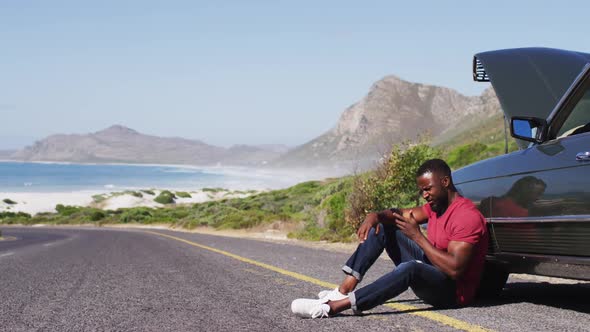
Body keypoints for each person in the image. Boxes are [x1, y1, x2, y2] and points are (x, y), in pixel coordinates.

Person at [291, 159, 488, 318]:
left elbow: (455, 269)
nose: (425, 195)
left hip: (452, 294)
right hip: (432, 274)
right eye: (422, 191)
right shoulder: (436, 207)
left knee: (410, 268)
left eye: (428, 189)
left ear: (445, 182)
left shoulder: (466, 216)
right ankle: (343, 290)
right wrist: (375, 216)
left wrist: (418, 237)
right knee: (385, 227)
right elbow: (399, 214)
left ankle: (332, 307)